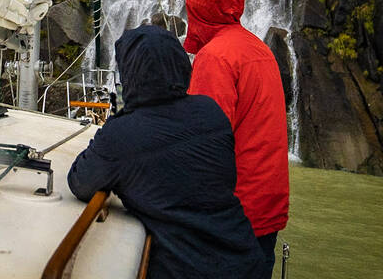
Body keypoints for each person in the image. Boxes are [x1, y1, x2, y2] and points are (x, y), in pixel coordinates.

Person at [67, 25, 265, 279]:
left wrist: (118, 122)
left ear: (129, 75)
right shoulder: (211, 112)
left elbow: (80, 181)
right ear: (181, 65)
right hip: (245, 261)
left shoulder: (122, 135)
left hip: (185, 270)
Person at [184, 0, 289, 275]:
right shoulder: (260, 50)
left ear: (195, 8)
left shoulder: (215, 57)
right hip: (266, 207)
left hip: (231, 213)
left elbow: (204, 142)